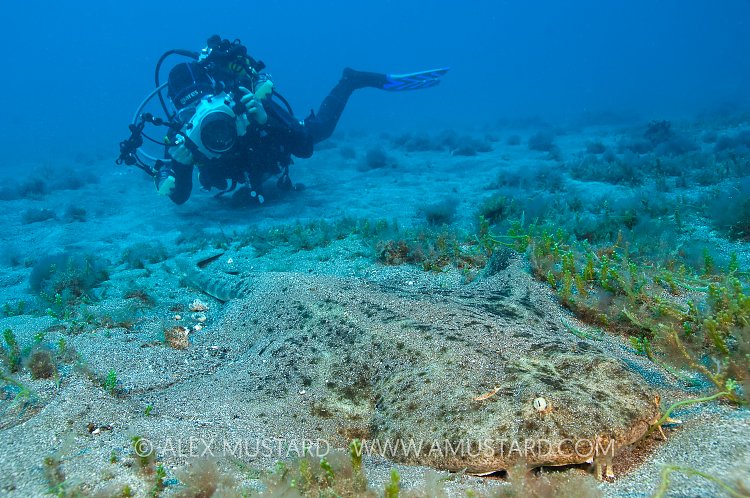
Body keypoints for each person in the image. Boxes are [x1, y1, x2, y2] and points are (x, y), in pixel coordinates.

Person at [147, 35, 448, 205]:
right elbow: (180, 197)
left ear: (214, 92)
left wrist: (263, 119)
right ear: (177, 111)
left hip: (269, 149)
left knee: (320, 130)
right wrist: (182, 167)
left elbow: (303, 148)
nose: (202, 118)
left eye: (205, 104)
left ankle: (351, 80)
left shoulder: (241, 101)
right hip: (237, 176)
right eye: (189, 114)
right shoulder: (180, 134)